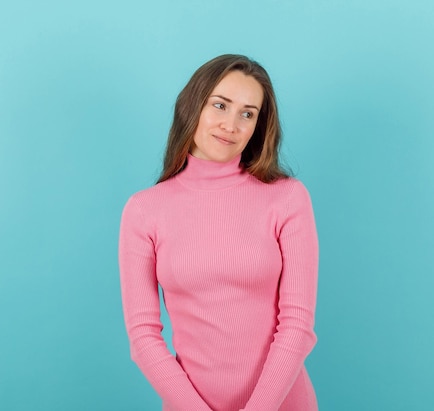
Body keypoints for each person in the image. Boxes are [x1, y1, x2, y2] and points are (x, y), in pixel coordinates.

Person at [118, 54, 319, 411]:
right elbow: (143, 337)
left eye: (248, 113)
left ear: (259, 125)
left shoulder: (287, 197)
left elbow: (297, 325)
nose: (231, 124)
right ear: (192, 105)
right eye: (220, 105)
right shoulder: (144, 210)